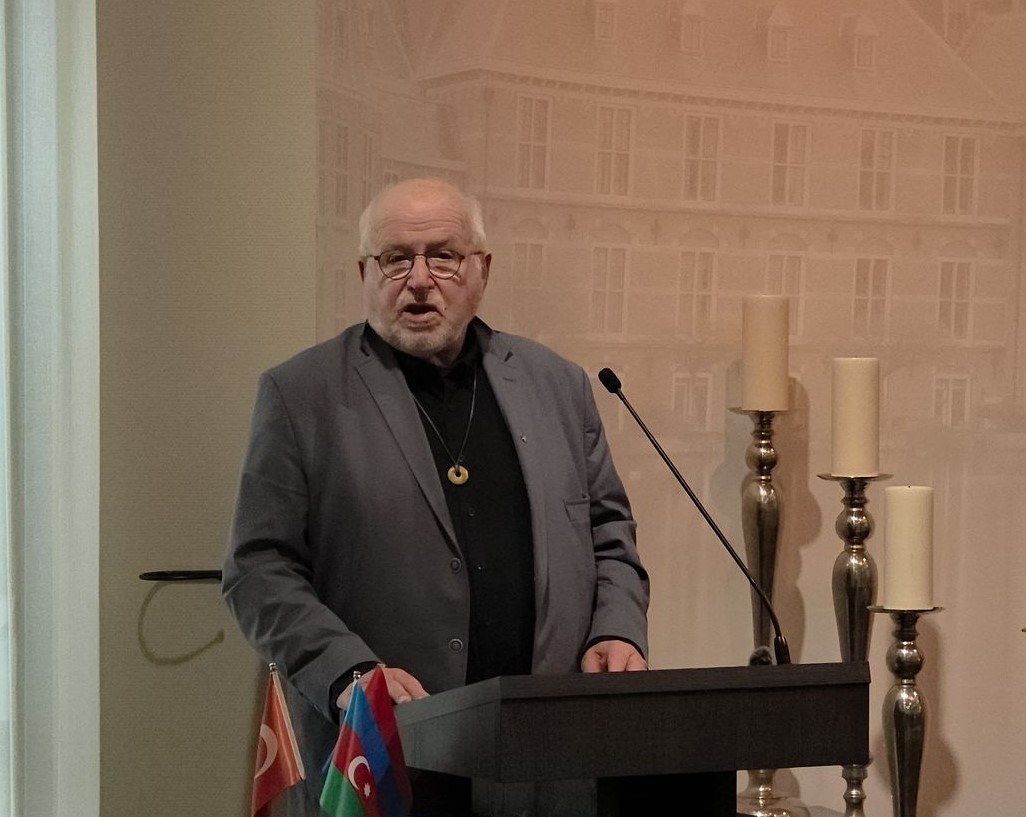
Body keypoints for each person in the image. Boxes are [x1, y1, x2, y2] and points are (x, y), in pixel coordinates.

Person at [222, 177, 650, 816]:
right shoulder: (301, 395)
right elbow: (257, 569)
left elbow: (608, 533)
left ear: (482, 270)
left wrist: (617, 629)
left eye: (443, 256)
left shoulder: (558, 385)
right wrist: (348, 675)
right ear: (365, 273)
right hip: (387, 758)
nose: (420, 279)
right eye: (396, 259)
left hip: (545, 758)